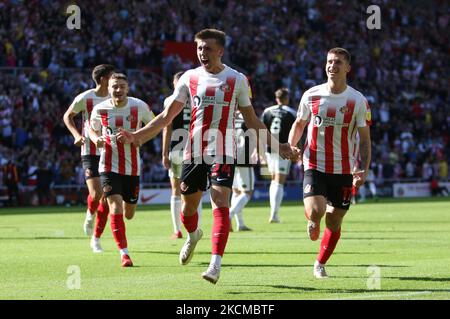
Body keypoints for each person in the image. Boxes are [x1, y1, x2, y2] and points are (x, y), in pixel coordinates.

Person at [117, 29, 295, 284]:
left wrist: (280, 146)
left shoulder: (237, 80)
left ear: (220, 51)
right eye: (199, 48)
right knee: (188, 208)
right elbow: (166, 117)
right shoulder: (189, 78)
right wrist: (137, 135)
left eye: (208, 49)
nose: (202, 53)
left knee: (220, 201)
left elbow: (253, 121)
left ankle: (215, 263)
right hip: (194, 152)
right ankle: (193, 234)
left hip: (224, 150)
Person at [288, 47, 372, 279]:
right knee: (317, 212)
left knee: (334, 220)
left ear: (348, 68)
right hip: (314, 163)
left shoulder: (357, 101)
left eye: (337, 62)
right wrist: (291, 145)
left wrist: (363, 169)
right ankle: (312, 219)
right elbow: (299, 123)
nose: (331, 66)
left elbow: (364, 141)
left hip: (344, 168)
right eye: (329, 62)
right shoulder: (311, 95)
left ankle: (319, 263)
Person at [89, 72, 154, 267]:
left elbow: (155, 126)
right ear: (108, 89)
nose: (118, 90)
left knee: (129, 213)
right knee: (115, 207)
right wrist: (96, 139)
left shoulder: (139, 106)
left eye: (121, 86)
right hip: (108, 165)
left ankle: (104, 207)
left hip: (132, 168)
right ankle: (124, 254)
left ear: (127, 88)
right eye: (114, 86)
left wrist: (136, 138)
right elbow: (91, 129)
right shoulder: (100, 109)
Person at [63, 64, 115, 252]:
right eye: (112, 76)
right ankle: (89, 214)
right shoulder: (86, 98)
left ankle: (96, 238)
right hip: (90, 150)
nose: (115, 80)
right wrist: (76, 135)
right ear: (103, 79)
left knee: (108, 195)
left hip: (111, 152)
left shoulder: (115, 98)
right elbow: (67, 116)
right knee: (96, 193)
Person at [162, 71, 202, 240]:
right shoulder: (197, 97)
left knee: (176, 190)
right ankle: (193, 228)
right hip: (195, 148)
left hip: (178, 148)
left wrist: (164, 153)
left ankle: (177, 229)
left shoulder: (170, 100)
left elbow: (166, 127)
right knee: (196, 191)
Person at [261, 88, 297, 223]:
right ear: (287, 98)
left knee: (273, 180)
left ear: (276, 98)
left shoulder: (267, 111)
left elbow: (261, 130)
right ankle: (274, 214)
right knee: (279, 181)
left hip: (269, 149)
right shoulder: (291, 112)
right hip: (284, 149)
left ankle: (273, 213)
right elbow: (297, 130)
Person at [229, 109, 257, 231]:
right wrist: (257, 151)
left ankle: (240, 224)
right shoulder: (248, 116)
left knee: (236, 191)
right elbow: (255, 134)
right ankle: (229, 215)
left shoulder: (230, 116)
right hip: (244, 157)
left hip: (230, 157)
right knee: (247, 192)